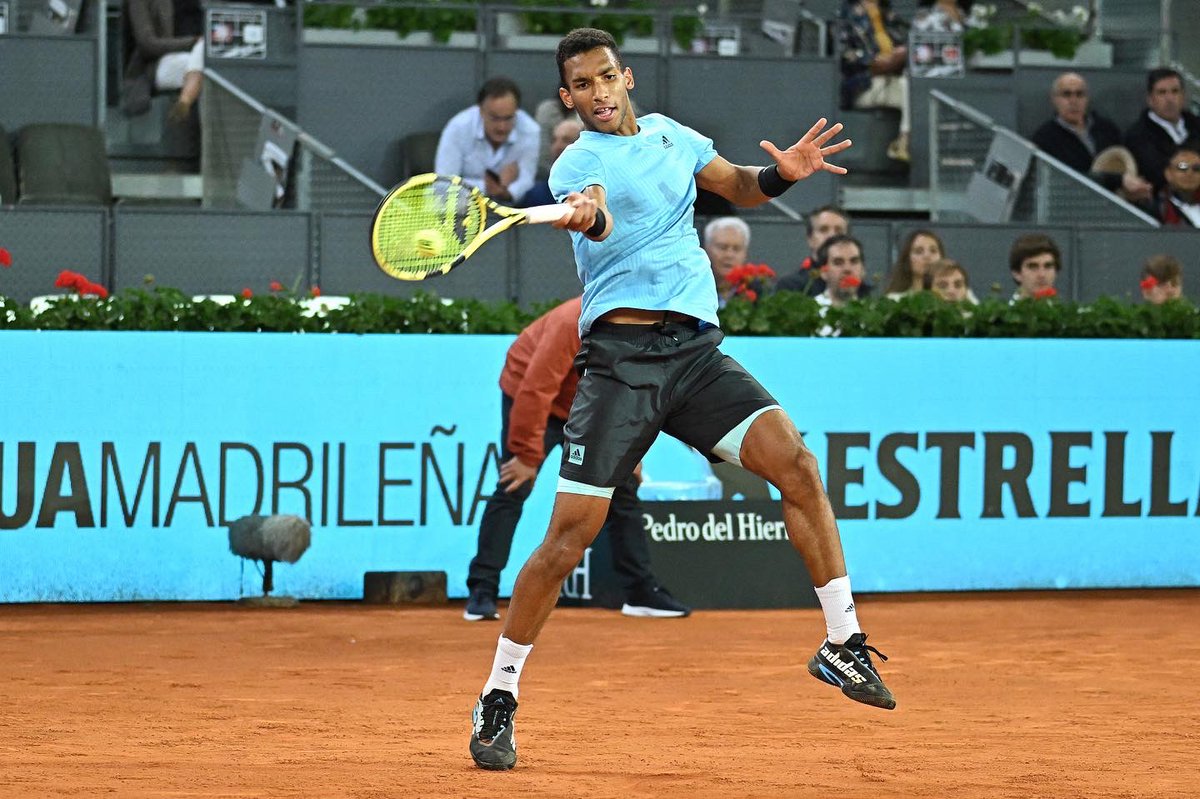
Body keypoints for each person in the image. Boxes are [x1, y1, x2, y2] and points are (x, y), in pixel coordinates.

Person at [468, 27, 896, 773]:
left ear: (626, 77)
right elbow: (595, 209)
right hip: (622, 363)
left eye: (608, 78)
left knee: (796, 464)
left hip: (697, 356)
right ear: (567, 98)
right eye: (583, 85)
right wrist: (587, 216)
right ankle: (499, 692)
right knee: (569, 535)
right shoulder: (579, 158)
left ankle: (842, 642)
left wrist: (783, 174)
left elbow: (736, 185)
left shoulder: (671, 135)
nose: (599, 94)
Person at [465, 296, 691, 623]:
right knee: (515, 485)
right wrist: (527, 456)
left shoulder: (645, 333)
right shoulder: (570, 324)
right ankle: (482, 590)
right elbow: (535, 389)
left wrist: (632, 452)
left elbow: (636, 398)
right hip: (532, 395)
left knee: (623, 490)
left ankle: (640, 592)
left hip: (587, 408)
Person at [1031, 72, 1152, 203]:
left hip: (1116, 204)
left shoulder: (1107, 129)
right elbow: (1066, 179)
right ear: (1054, 99)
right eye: (1067, 94)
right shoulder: (1045, 138)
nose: (1073, 101)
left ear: (1087, 98)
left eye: (1079, 94)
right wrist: (1118, 180)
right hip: (1074, 206)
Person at [435, 76, 540, 204]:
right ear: (480, 110)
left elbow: (526, 180)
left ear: (516, 111)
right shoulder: (458, 127)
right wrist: (490, 187)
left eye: (508, 118)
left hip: (511, 207)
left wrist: (504, 192)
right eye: (495, 118)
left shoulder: (531, 130)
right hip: (462, 207)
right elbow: (444, 183)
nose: (502, 127)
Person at [839, 0, 910, 162]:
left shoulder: (889, 15)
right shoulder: (845, 15)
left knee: (913, 88)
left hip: (892, 80)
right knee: (907, 88)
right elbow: (845, 57)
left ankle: (904, 142)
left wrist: (899, 58)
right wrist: (873, 62)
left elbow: (907, 45)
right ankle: (904, 142)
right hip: (862, 85)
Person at [122, 0, 204, 122]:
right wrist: (192, 42)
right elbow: (147, 45)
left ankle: (185, 101)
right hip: (158, 62)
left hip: (198, 56)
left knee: (210, 58)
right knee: (208, 62)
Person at [1124, 68, 1200, 194]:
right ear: (1150, 99)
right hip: (1164, 205)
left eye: (1175, 91)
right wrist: (1191, 167)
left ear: (1183, 96)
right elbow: (1160, 170)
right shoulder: (1138, 135)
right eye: (1162, 92)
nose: (1169, 99)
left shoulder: (1196, 125)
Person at [774, 205, 856, 295]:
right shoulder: (791, 287)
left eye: (838, 230)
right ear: (810, 239)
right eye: (823, 229)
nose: (831, 236)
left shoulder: (858, 288)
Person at [519, 117, 584, 208]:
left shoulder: (596, 191)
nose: (557, 146)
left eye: (566, 140)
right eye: (554, 140)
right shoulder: (536, 195)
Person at [701, 216, 751, 307]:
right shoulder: (693, 287)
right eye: (722, 247)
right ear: (706, 249)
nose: (729, 255)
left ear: (745, 254)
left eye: (737, 249)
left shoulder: (759, 292)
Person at [884, 228, 945, 298]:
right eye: (919, 251)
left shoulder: (952, 298)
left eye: (933, 251)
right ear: (907, 260)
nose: (927, 256)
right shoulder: (895, 299)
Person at [1152, 141, 1200, 227]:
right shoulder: (1156, 208)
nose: (1189, 173)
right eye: (1182, 168)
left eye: (1196, 169)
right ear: (1168, 173)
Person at [814, 234, 867, 310]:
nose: (847, 269)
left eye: (854, 261)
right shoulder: (810, 312)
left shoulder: (872, 313)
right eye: (838, 262)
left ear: (863, 270)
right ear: (823, 272)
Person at [1009, 233, 1061, 300]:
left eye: (1048, 266)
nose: (1042, 275)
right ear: (1016, 273)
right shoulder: (999, 310)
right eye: (1033, 267)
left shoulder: (1068, 310)